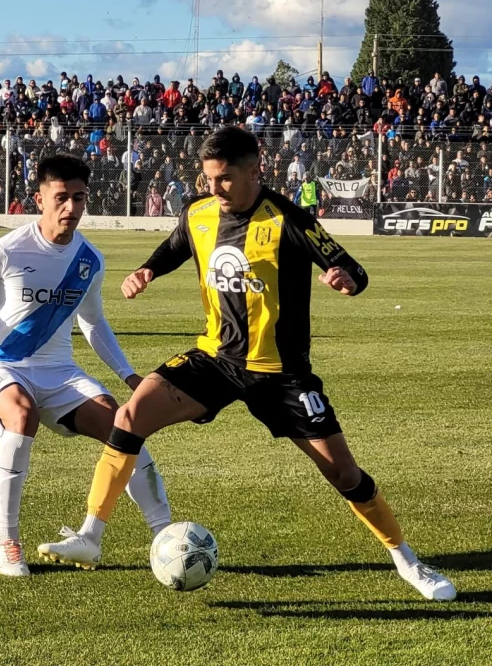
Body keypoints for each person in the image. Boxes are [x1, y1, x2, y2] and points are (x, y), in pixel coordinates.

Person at [39, 127, 456, 603]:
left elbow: (351, 268)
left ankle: (408, 560)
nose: (213, 188)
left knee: (344, 473)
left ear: (256, 171)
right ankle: (91, 536)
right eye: (208, 177)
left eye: (225, 179)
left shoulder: (289, 219)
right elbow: (177, 246)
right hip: (214, 359)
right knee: (130, 415)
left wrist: (346, 279)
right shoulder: (197, 212)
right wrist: (147, 270)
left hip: (281, 373)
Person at [0, 154, 171, 577]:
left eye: (79, 198)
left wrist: (128, 375)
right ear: (40, 199)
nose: (70, 208)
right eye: (61, 198)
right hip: (2, 363)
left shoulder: (90, 259)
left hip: (59, 370)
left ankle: (166, 537)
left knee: (125, 425)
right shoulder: (6, 250)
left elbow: (94, 322)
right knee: (22, 415)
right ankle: (5, 539)